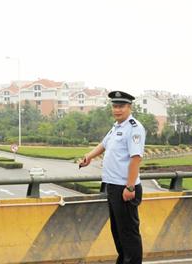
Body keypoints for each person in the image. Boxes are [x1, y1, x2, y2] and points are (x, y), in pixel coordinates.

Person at [78, 90, 146, 264]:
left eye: (121, 106)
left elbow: (136, 158)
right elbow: (103, 144)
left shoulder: (134, 128)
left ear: (129, 107)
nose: (117, 110)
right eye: (115, 106)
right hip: (113, 186)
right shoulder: (116, 126)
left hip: (125, 188)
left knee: (129, 233)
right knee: (118, 231)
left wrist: (130, 187)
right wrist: (89, 157)